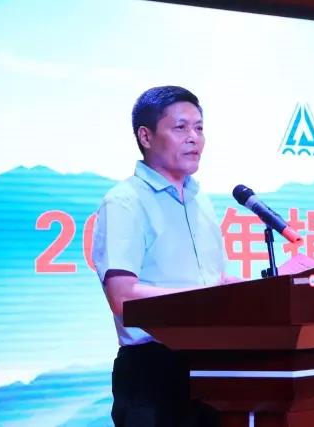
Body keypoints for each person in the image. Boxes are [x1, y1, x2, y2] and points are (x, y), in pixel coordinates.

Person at [93, 85, 234, 427]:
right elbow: (123, 297)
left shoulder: (201, 201)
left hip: (213, 369)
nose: (194, 138)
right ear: (146, 136)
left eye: (199, 128)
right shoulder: (125, 201)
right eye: (180, 127)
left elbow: (215, 281)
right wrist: (207, 297)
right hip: (153, 372)